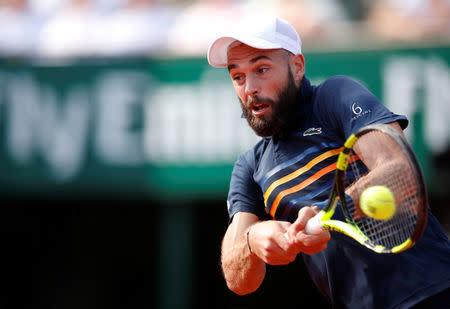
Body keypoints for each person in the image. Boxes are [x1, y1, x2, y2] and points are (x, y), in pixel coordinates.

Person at [207, 16, 450, 308]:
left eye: (262, 69)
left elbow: (402, 171)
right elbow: (239, 282)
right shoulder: (249, 168)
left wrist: (332, 213)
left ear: (297, 67)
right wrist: (252, 238)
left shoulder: (335, 96)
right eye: (238, 77)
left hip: (436, 291)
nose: (250, 88)